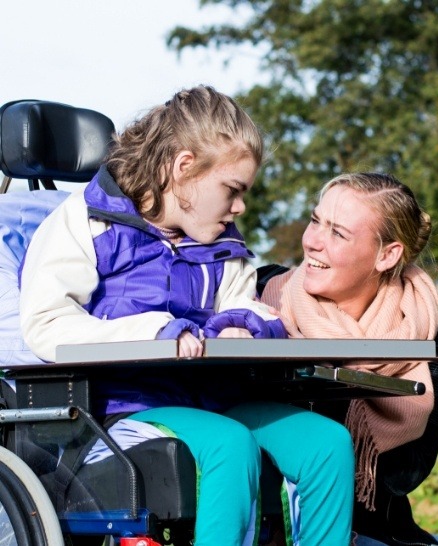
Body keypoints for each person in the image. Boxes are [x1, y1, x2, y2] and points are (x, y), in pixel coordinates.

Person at [18, 85, 355, 546]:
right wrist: (156, 331)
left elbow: (245, 305)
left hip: (214, 398)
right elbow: (46, 326)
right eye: (232, 190)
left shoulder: (223, 241)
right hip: (120, 410)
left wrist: (241, 325)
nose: (239, 207)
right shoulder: (84, 222)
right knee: (228, 443)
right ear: (184, 167)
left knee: (325, 444)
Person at [261, 172, 438, 546]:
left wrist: (355, 369)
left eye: (338, 233)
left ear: (387, 255)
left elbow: (404, 474)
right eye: (316, 220)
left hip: (376, 529)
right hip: (273, 526)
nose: (313, 242)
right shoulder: (262, 300)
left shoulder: (429, 338)